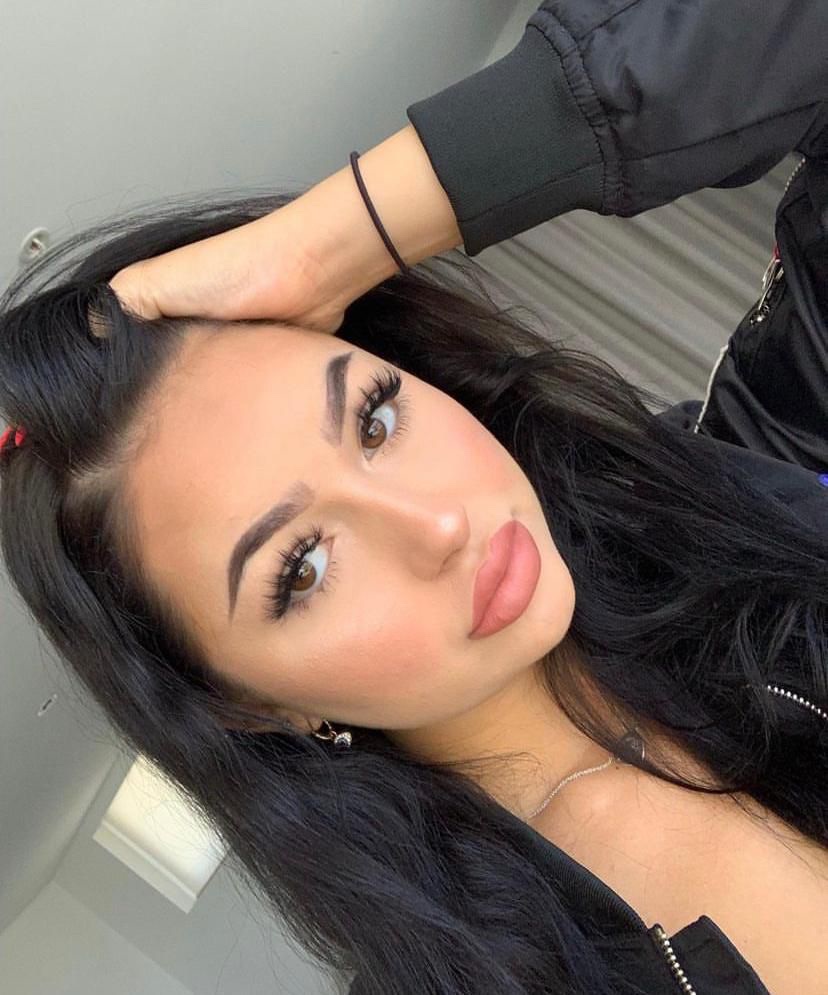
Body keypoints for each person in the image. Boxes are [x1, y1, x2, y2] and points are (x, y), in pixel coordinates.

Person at [1, 1, 826, 993]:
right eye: (304, 565)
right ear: (250, 703)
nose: (436, 525)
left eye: (375, 418)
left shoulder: (748, 500)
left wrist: (332, 239)